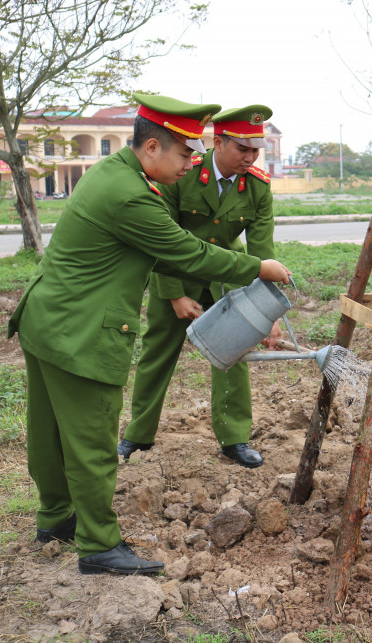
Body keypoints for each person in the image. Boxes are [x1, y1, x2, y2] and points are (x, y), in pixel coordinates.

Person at [8, 93, 291, 575]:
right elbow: (186, 251)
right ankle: (98, 544)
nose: (190, 163)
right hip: (79, 332)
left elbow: (164, 251)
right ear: (153, 147)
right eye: (184, 153)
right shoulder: (132, 195)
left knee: (49, 431)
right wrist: (258, 268)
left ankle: (55, 518)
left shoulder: (111, 173)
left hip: (48, 318)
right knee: (92, 441)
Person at [119, 104, 277, 468]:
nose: (250, 157)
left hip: (227, 280)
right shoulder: (182, 173)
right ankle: (138, 435)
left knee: (233, 356)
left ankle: (234, 439)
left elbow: (263, 253)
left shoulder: (257, 186)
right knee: (158, 354)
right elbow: (159, 240)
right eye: (242, 148)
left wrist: (267, 310)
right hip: (176, 274)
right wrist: (175, 293)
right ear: (218, 143)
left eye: (255, 150)